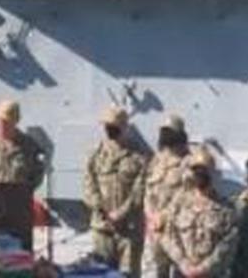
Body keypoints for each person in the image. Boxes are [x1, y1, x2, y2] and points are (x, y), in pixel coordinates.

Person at [83, 106, 148, 277]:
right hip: (102, 227)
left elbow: (140, 190)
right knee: (100, 272)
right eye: (107, 125)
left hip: (129, 229)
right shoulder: (96, 154)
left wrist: (120, 213)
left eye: (113, 126)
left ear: (124, 127)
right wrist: (104, 210)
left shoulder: (139, 156)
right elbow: (89, 185)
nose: (109, 129)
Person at [161, 148, 238, 278]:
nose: (199, 175)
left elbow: (228, 246)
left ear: (212, 174)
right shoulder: (180, 203)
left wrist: (203, 269)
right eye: (196, 171)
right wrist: (183, 263)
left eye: (203, 171)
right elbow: (168, 237)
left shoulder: (226, 209)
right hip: (182, 272)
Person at [146, 114, 192, 278]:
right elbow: (148, 190)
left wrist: (163, 216)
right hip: (156, 230)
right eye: (164, 131)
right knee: (160, 271)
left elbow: (186, 195)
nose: (165, 135)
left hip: (178, 229)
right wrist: (150, 215)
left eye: (169, 132)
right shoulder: (157, 160)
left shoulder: (188, 162)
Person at [0, 100, 47, 190]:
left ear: (15, 122)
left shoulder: (29, 146)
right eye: (0, 121)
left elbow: (38, 174)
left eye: (7, 122)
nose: (2, 125)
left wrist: (25, 190)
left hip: (17, 198)